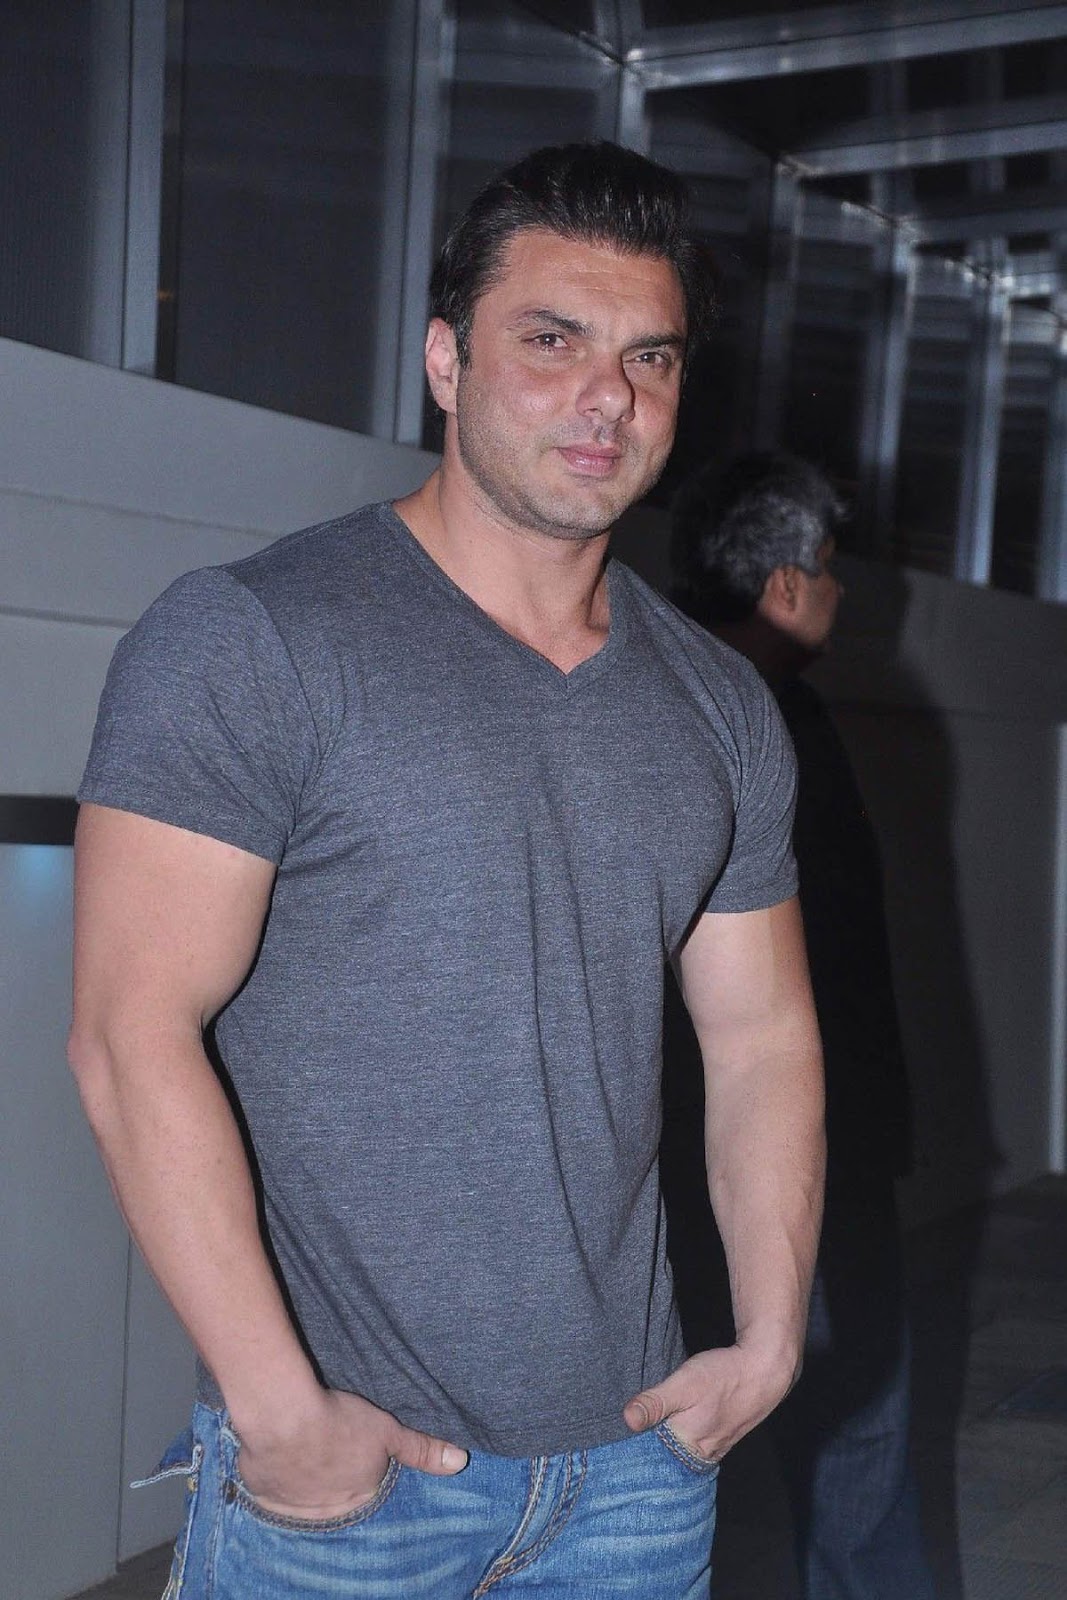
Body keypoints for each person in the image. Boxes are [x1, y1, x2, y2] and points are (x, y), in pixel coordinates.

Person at [68, 144, 824, 1600]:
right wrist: (280, 1414)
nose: (605, 396)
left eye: (648, 356)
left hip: (634, 1475)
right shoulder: (253, 637)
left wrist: (771, 1335)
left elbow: (762, 1036)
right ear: (443, 359)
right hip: (350, 1487)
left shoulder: (718, 703)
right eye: (549, 340)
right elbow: (126, 1031)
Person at [668, 451, 937, 1600]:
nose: (837, 592)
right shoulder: (764, 719)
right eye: (827, 570)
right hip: (800, 1141)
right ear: (782, 585)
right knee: (856, 1424)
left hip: (698, 1148)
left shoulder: (661, 691)